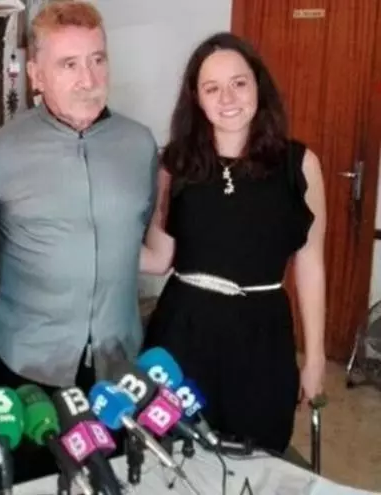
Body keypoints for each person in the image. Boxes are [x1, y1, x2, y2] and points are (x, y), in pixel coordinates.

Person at [0, 0, 159, 481]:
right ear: (36, 75)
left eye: (98, 59)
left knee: (113, 481)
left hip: (116, 368)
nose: (88, 78)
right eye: (69, 64)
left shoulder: (140, 145)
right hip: (27, 370)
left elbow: (138, 235)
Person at [140, 32, 327, 454]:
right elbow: (159, 257)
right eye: (212, 88)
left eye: (238, 83)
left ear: (258, 84)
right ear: (197, 99)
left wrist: (315, 358)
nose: (227, 98)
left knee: (256, 452)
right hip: (182, 332)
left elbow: (311, 264)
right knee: (172, 454)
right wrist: (87, 242)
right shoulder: (175, 163)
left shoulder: (299, 165)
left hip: (262, 335)